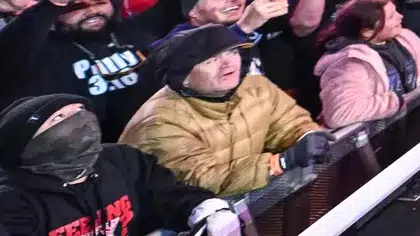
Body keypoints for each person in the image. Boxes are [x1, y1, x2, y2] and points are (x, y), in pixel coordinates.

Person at [117, 26, 329, 196]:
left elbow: (291, 124)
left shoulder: (255, 86)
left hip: (247, 201)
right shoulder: (159, 122)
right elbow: (204, 180)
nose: (228, 63)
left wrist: (309, 136)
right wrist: (280, 162)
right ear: (183, 77)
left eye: (232, 51)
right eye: (211, 60)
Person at [0, 94, 243, 236]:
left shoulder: (120, 160)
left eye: (80, 111)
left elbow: (168, 194)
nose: (79, 120)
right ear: (26, 142)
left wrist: (205, 209)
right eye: (60, 118)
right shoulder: (11, 201)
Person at [0, 0, 186, 139]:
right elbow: (10, 50)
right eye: (77, 6)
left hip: (165, 132)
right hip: (93, 152)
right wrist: (49, 5)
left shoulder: (133, 30)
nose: (91, 11)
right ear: (56, 12)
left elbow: (179, 10)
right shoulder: (41, 50)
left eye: (100, 2)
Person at [313, 0, 420, 129]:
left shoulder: (404, 37)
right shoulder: (349, 64)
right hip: (378, 144)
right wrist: (396, 102)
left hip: (411, 128)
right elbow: (339, 113)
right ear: (367, 32)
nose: (400, 16)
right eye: (391, 17)